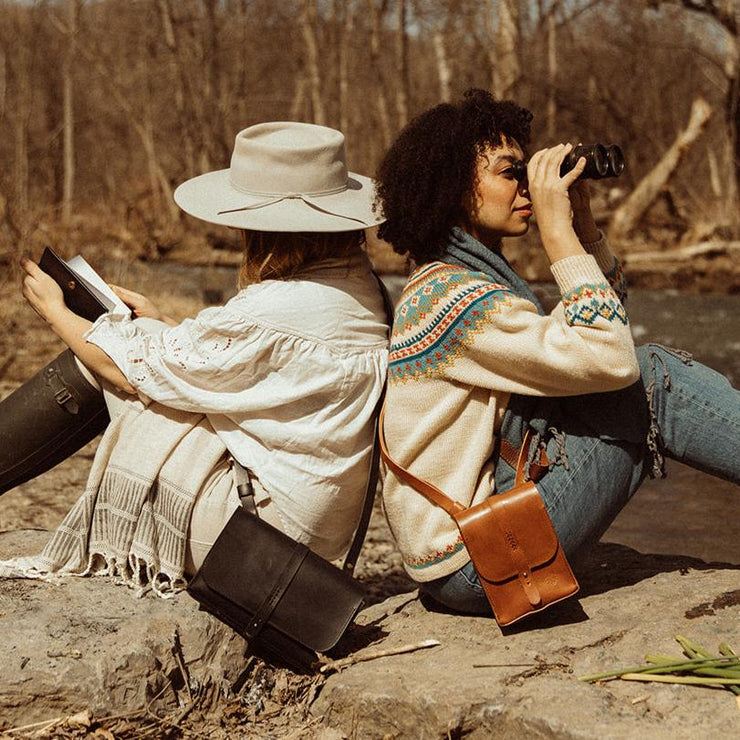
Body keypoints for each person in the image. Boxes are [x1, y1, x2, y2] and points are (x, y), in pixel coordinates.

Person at [374, 88, 739, 615]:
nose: (525, 186)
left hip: (482, 543)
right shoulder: (454, 301)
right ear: (455, 189)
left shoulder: (459, 283)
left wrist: (582, 225)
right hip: (478, 563)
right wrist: (556, 232)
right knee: (652, 378)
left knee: (642, 375)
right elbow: (613, 358)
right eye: (509, 172)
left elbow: (599, 333)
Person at [0, 121, 388, 593]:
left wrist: (57, 313)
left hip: (261, 535)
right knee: (129, 344)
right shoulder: (360, 287)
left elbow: (130, 372)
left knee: (99, 361)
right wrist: (157, 323)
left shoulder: (278, 306)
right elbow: (243, 365)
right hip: (314, 527)